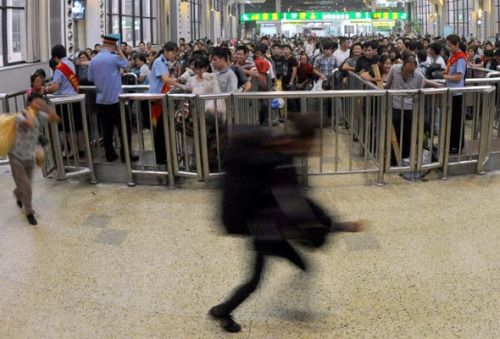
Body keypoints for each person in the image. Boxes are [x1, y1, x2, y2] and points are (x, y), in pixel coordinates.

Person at [208, 116, 365, 333]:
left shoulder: (278, 151)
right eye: (312, 144)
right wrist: (339, 226)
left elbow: (297, 205)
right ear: (303, 141)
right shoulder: (280, 162)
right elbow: (297, 209)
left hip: (269, 228)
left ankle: (225, 309)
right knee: (256, 279)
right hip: (265, 231)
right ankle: (223, 311)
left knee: (299, 267)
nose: (314, 149)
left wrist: (339, 226)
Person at [9, 92, 60, 225]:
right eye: (36, 103)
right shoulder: (21, 115)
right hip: (15, 155)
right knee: (26, 185)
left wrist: (46, 108)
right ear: (29, 102)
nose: (38, 105)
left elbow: (55, 119)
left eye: (40, 102)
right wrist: (31, 112)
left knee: (26, 182)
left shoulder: (40, 115)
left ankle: (18, 193)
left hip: (29, 155)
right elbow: (30, 124)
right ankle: (29, 212)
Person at [88, 35, 138, 162]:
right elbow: (128, 66)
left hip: (101, 100)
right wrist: (120, 52)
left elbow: (90, 78)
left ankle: (110, 154)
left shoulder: (93, 60)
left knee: (106, 130)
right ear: (113, 46)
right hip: (116, 100)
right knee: (124, 129)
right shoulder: (114, 58)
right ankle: (126, 155)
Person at [45, 44, 85, 159]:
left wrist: (47, 89)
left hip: (64, 101)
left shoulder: (59, 68)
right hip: (75, 98)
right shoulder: (70, 63)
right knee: (77, 126)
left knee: (68, 128)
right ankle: (81, 148)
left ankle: (73, 151)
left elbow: (56, 86)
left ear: (55, 57)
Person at [148, 41, 185, 164]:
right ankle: (160, 157)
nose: (174, 55)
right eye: (173, 53)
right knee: (159, 130)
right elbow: (165, 79)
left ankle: (164, 154)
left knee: (163, 129)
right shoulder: (159, 62)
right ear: (166, 51)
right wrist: (181, 85)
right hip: (157, 100)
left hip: (162, 99)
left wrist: (177, 81)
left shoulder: (163, 62)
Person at [386, 55, 425, 163]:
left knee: (408, 133)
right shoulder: (394, 69)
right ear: (402, 66)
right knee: (395, 133)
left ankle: (405, 156)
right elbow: (388, 84)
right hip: (395, 105)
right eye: (406, 71)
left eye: (410, 72)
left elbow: (420, 94)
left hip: (410, 107)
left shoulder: (419, 76)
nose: (407, 74)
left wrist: (417, 112)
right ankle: (393, 158)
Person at [443, 34, 467, 154]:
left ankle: (457, 146)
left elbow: (458, 77)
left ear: (457, 45)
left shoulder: (460, 58)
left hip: (457, 93)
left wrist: (444, 76)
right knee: (451, 120)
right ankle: (451, 143)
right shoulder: (452, 56)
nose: (448, 48)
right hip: (450, 91)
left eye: (450, 46)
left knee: (456, 121)